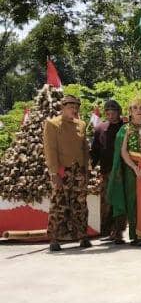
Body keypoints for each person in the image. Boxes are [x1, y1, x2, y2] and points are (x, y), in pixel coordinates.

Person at [43, 93, 91, 251]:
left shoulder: (82, 124)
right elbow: (50, 150)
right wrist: (54, 173)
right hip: (62, 171)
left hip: (79, 171)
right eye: (71, 107)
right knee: (59, 204)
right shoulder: (53, 124)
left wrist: (86, 169)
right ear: (62, 108)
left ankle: (82, 236)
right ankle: (54, 238)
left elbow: (85, 149)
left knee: (80, 203)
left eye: (76, 107)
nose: (74, 109)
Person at [108, 94, 141, 245]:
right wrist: (135, 168)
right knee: (133, 201)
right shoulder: (125, 129)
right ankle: (136, 235)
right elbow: (122, 152)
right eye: (135, 108)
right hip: (132, 171)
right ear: (130, 111)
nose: (139, 111)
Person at [90, 98, 124, 243]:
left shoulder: (125, 127)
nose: (111, 115)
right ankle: (108, 230)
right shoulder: (100, 129)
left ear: (119, 112)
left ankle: (118, 232)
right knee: (108, 201)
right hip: (106, 171)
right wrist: (90, 166)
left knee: (119, 202)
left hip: (123, 171)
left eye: (114, 112)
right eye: (108, 112)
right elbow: (95, 150)